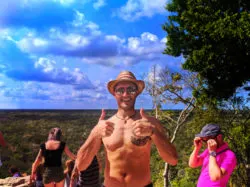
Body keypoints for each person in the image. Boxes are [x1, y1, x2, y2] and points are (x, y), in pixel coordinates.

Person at [76, 71, 178, 187]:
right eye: (120, 90)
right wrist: (95, 133)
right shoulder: (104, 126)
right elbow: (81, 165)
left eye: (130, 90)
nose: (125, 94)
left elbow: (172, 160)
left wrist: (154, 132)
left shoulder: (150, 123)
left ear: (136, 93)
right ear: (114, 93)